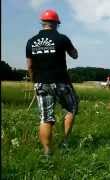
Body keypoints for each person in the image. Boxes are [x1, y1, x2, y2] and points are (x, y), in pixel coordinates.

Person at [26, 9, 78, 156]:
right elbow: (74, 55)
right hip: (61, 81)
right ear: (56, 24)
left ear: (42, 23)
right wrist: (72, 51)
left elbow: (30, 66)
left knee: (45, 117)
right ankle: (65, 142)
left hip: (41, 83)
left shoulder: (31, 41)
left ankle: (47, 152)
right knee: (71, 108)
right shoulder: (62, 38)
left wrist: (34, 80)